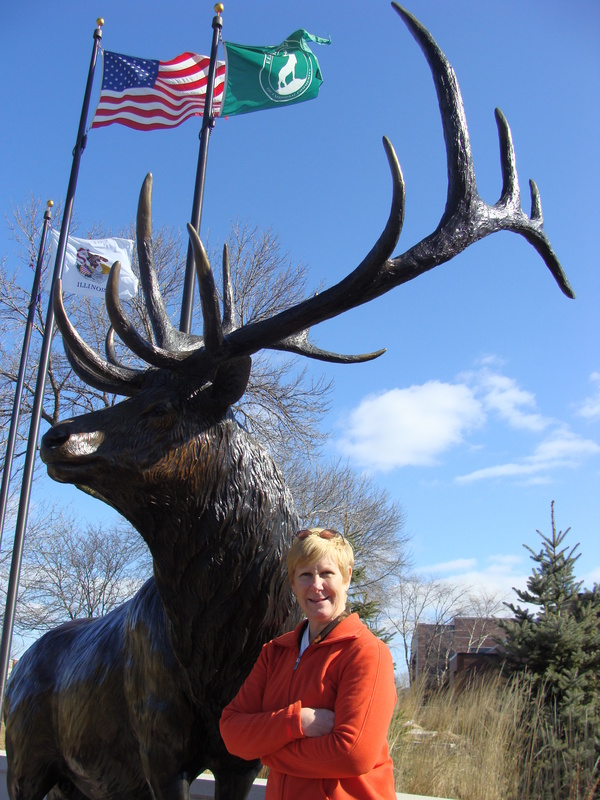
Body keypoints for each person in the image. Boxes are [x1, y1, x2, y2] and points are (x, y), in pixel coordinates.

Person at [219, 527, 397, 800]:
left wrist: (265, 751)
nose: (316, 586)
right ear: (292, 584)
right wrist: (296, 721)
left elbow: (353, 755)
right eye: (305, 575)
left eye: (327, 573)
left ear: (347, 577)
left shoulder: (366, 652)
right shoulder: (275, 653)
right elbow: (232, 732)